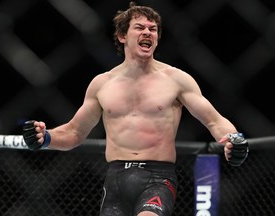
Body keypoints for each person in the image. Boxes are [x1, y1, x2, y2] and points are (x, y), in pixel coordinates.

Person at [22, 2, 249, 216]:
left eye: (153, 29)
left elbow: (214, 121)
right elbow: (74, 132)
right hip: (115, 179)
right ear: (122, 36)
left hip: (158, 178)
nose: (147, 33)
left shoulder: (176, 80)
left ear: (157, 38)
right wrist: (46, 137)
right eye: (139, 27)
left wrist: (233, 138)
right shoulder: (102, 84)